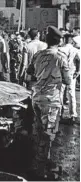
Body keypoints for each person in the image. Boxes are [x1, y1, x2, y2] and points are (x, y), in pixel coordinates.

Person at [26, 26, 71, 180]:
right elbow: (68, 80)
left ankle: (39, 163)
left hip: (37, 97)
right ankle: (41, 170)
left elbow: (29, 73)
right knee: (48, 134)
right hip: (51, 100)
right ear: (59, 40)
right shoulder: (60, 56)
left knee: (38, 131)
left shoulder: (38, 54)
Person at [59, 34, 80, 124]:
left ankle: (59, 114)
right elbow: (79, 60)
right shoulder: (75, 50)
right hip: (72, 73)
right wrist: (78, 71)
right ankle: (73, 114)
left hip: (61, 73)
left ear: (64, 40)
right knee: (71, 94)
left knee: (60, 93)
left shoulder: (60, 49)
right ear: (71, 41)